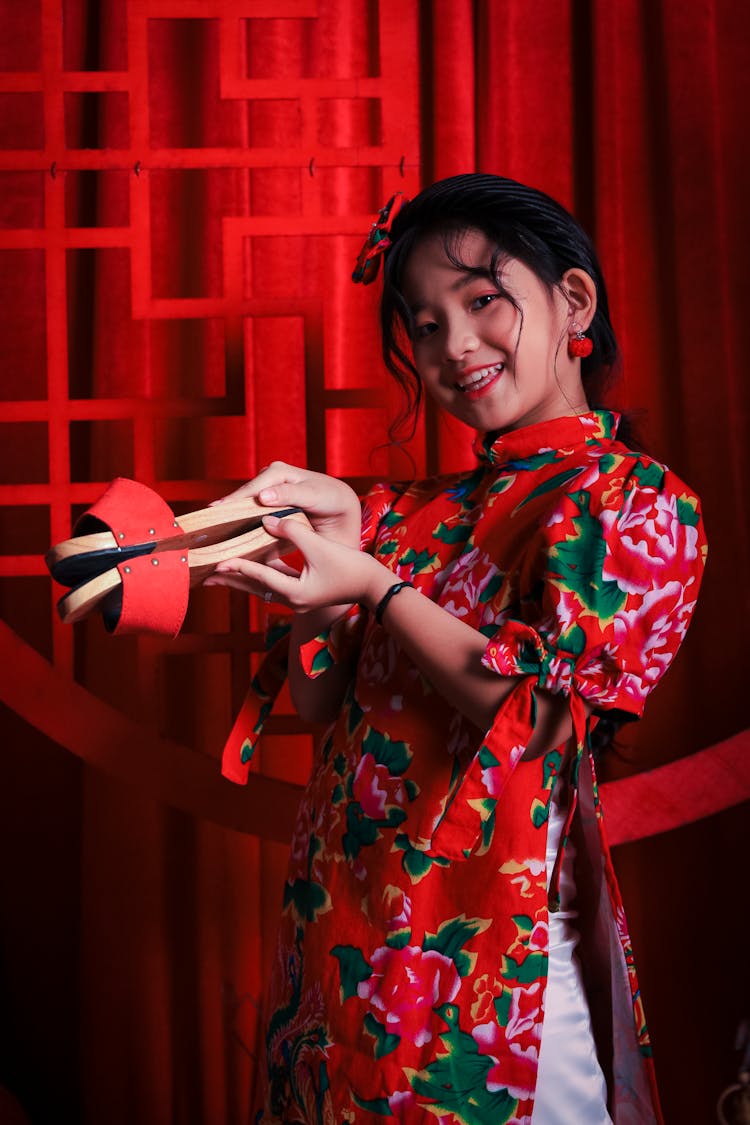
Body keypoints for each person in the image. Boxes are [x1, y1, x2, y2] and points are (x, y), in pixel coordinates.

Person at [205, 175, 706, 1124]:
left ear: (573, 302)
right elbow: (322, 709)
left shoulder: (633, 504)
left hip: (488, 961)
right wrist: (346, 543)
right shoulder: (412, 511)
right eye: (425, 325)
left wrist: (376, 588)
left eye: (481, 299)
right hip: (340, 940)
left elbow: (541, 718)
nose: (454, 344)